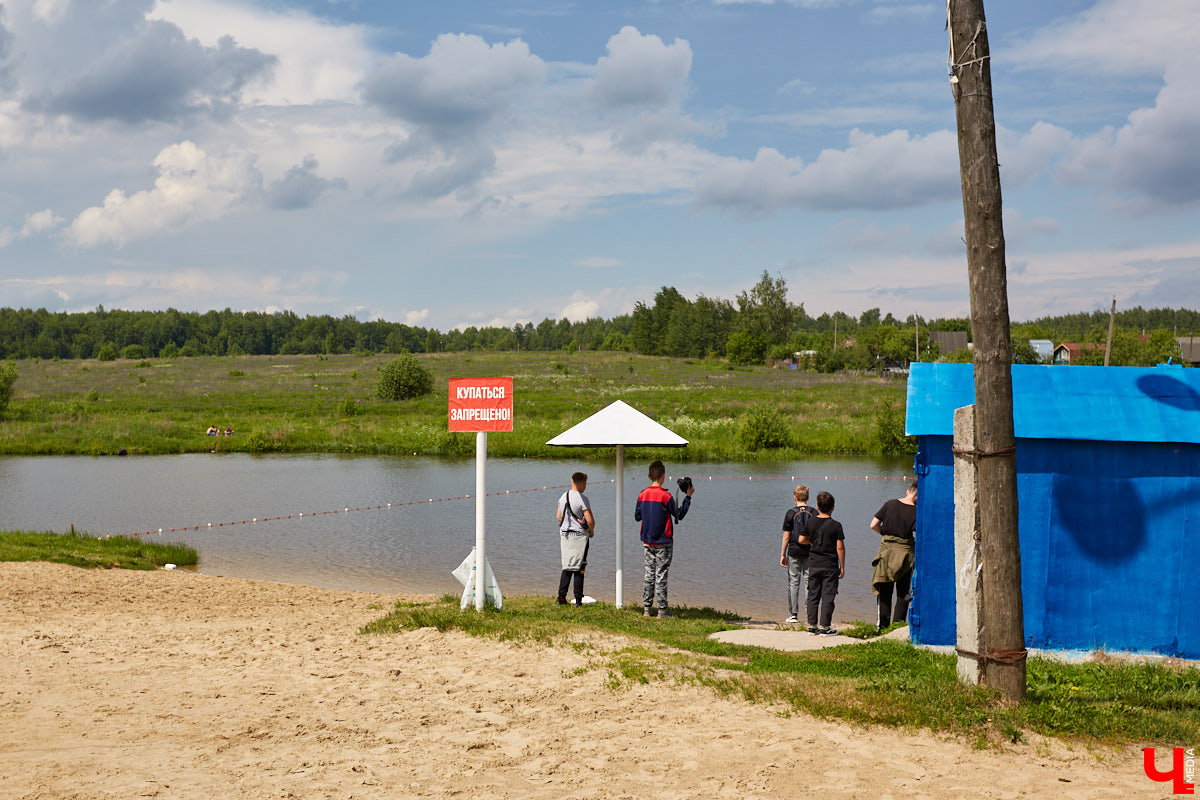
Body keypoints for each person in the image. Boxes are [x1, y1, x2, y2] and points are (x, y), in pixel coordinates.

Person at [634, 459, 693, 618]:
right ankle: (662, 610)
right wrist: (688, 497)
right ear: (663, 476)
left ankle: (647, 608)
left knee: (649, 574)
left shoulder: (642, 494)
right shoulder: (666, 496)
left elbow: (637, 517)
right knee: (661, 575)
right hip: (664, 542)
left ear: (649, 476)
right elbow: (678, 515)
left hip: (647, 541)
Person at [870, 479, 918, 633]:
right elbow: (920, 534)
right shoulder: (916, 511)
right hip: (905, 556)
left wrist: (885, 534)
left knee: (884, 592)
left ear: (908, 491)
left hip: (886, 553)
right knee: (903, 593)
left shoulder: (890, 504)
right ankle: (897, 628)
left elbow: (873, 525)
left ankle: (882, 628)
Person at [801, 491, 845, 635]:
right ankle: (825, 627)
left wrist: (812, 541)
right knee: (828, 596)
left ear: (817, 506)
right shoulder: (836, 525)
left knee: (813, 594)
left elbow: (801, 540)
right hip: (830, 565)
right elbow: (840, 547)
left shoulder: (810, 522)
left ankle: (812, 626)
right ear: (833, 507)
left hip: (813, 564)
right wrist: (842, 566)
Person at [555, 471, 596, 606]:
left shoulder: (563, 496)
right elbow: (590, 520)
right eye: (585, 484)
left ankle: (561, 598)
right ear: (582, 483)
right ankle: (578, 600)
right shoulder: (582, 498)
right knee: (579, 568)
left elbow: (559, 517)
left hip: (565, 535)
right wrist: (591, 531)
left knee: (567, 567)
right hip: (579, 537)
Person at [780, 484, 814, 624]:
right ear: (807, 497)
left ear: (795, 498)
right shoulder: (814, 512)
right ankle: (809, 613)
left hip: (794, 551)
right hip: (810, 552)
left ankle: (793, 614)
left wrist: (782, 554)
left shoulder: (790, 513)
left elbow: (786, 536)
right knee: (809, 583)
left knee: (793, 583)